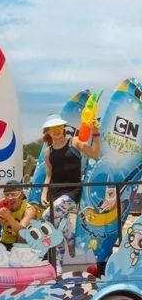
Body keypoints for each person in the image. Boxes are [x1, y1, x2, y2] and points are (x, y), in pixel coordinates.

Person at [40, 113, 100, 265]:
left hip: (73, 192)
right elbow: (49, 175)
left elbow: (94, 153)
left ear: (64, 128)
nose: (56, 130)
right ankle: (63, 261)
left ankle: (69, 244)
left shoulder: (74, 142)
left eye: (59, 127)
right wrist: (44, 192)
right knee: (58, 225)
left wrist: (95, 133)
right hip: (56, 192)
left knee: (48, 216)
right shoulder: (48, 152)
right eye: (52, 128)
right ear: (47, 132)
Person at [0, 179, 38, 251]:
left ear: (21, 195)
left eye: (14, 194)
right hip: (5, 242)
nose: (10, 198)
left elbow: (22, 232)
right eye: (7, 195)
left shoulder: (29, 210)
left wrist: (8, 217)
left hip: (23, 244)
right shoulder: (0, 204)